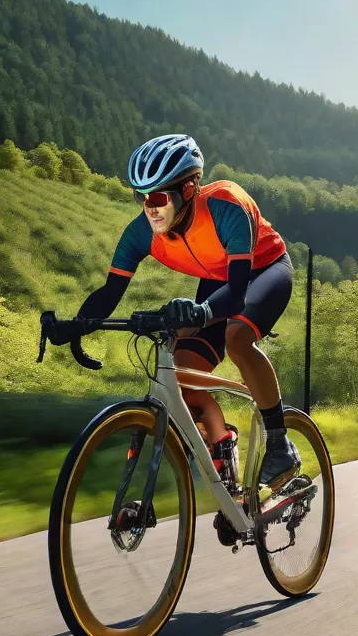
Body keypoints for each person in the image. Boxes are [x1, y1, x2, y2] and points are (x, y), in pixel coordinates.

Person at [75, 133, 302, 502]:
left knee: (237, 338)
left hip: (263, 270)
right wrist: (76, 325)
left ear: (189, 187)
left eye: (158, 198)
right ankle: (225, 458)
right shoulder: (141, 233)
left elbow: (236, 294)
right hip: (216, 280)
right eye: (141, 197)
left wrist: (203, 312)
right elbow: (110, 292)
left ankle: (280, 444)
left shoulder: (227, 205)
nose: (150, 208)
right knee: (181, 377)